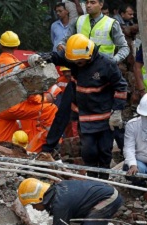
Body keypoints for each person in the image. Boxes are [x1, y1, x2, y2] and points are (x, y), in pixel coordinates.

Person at [29, 34, 128, 178]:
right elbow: (56, 57)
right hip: (85, 115)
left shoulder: (107, 64)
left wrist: (117, 111)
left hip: (105, 116)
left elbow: (121, 87)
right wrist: (40, 57)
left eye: (80, 62)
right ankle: (93, 180)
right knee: (89, 151)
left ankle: (105, 182)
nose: (76, 64)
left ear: (88, 55)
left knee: (104, 151)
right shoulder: (75, 57)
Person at [57, 0, 129, 64]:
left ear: (101, 5)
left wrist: (114, 60)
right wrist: (61, 45)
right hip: (81, 66)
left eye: (92, 2)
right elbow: (66, 40)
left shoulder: (111, 23)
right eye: (87, 2)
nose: (88, 5)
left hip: (102, 67)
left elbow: (124, 48)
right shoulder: (78, 20)